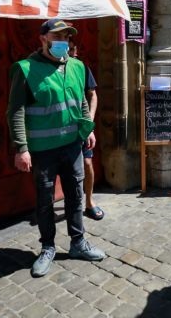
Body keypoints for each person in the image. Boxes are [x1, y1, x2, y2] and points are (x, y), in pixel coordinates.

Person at [7, 18, 105, 278]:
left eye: (66, 37)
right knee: (45, 200)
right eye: (57, 36)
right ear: (43, 39)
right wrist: (21, 148)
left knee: (75, 196)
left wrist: (88, 130)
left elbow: (81, 101)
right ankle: (47, 247)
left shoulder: (77, 66)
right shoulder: (25, 69)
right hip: (42, 149)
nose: (63, 41)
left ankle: (78, 242)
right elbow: (15, 111)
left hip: (72, 146)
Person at [68, 36, 104, 221]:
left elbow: (92, 95)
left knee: (87, 163)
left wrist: (89, 121)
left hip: (81, 127)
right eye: (70, 49)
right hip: (60, 128)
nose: (73, 53)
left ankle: (89, 201)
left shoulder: (81, 68)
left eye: (74, 49)